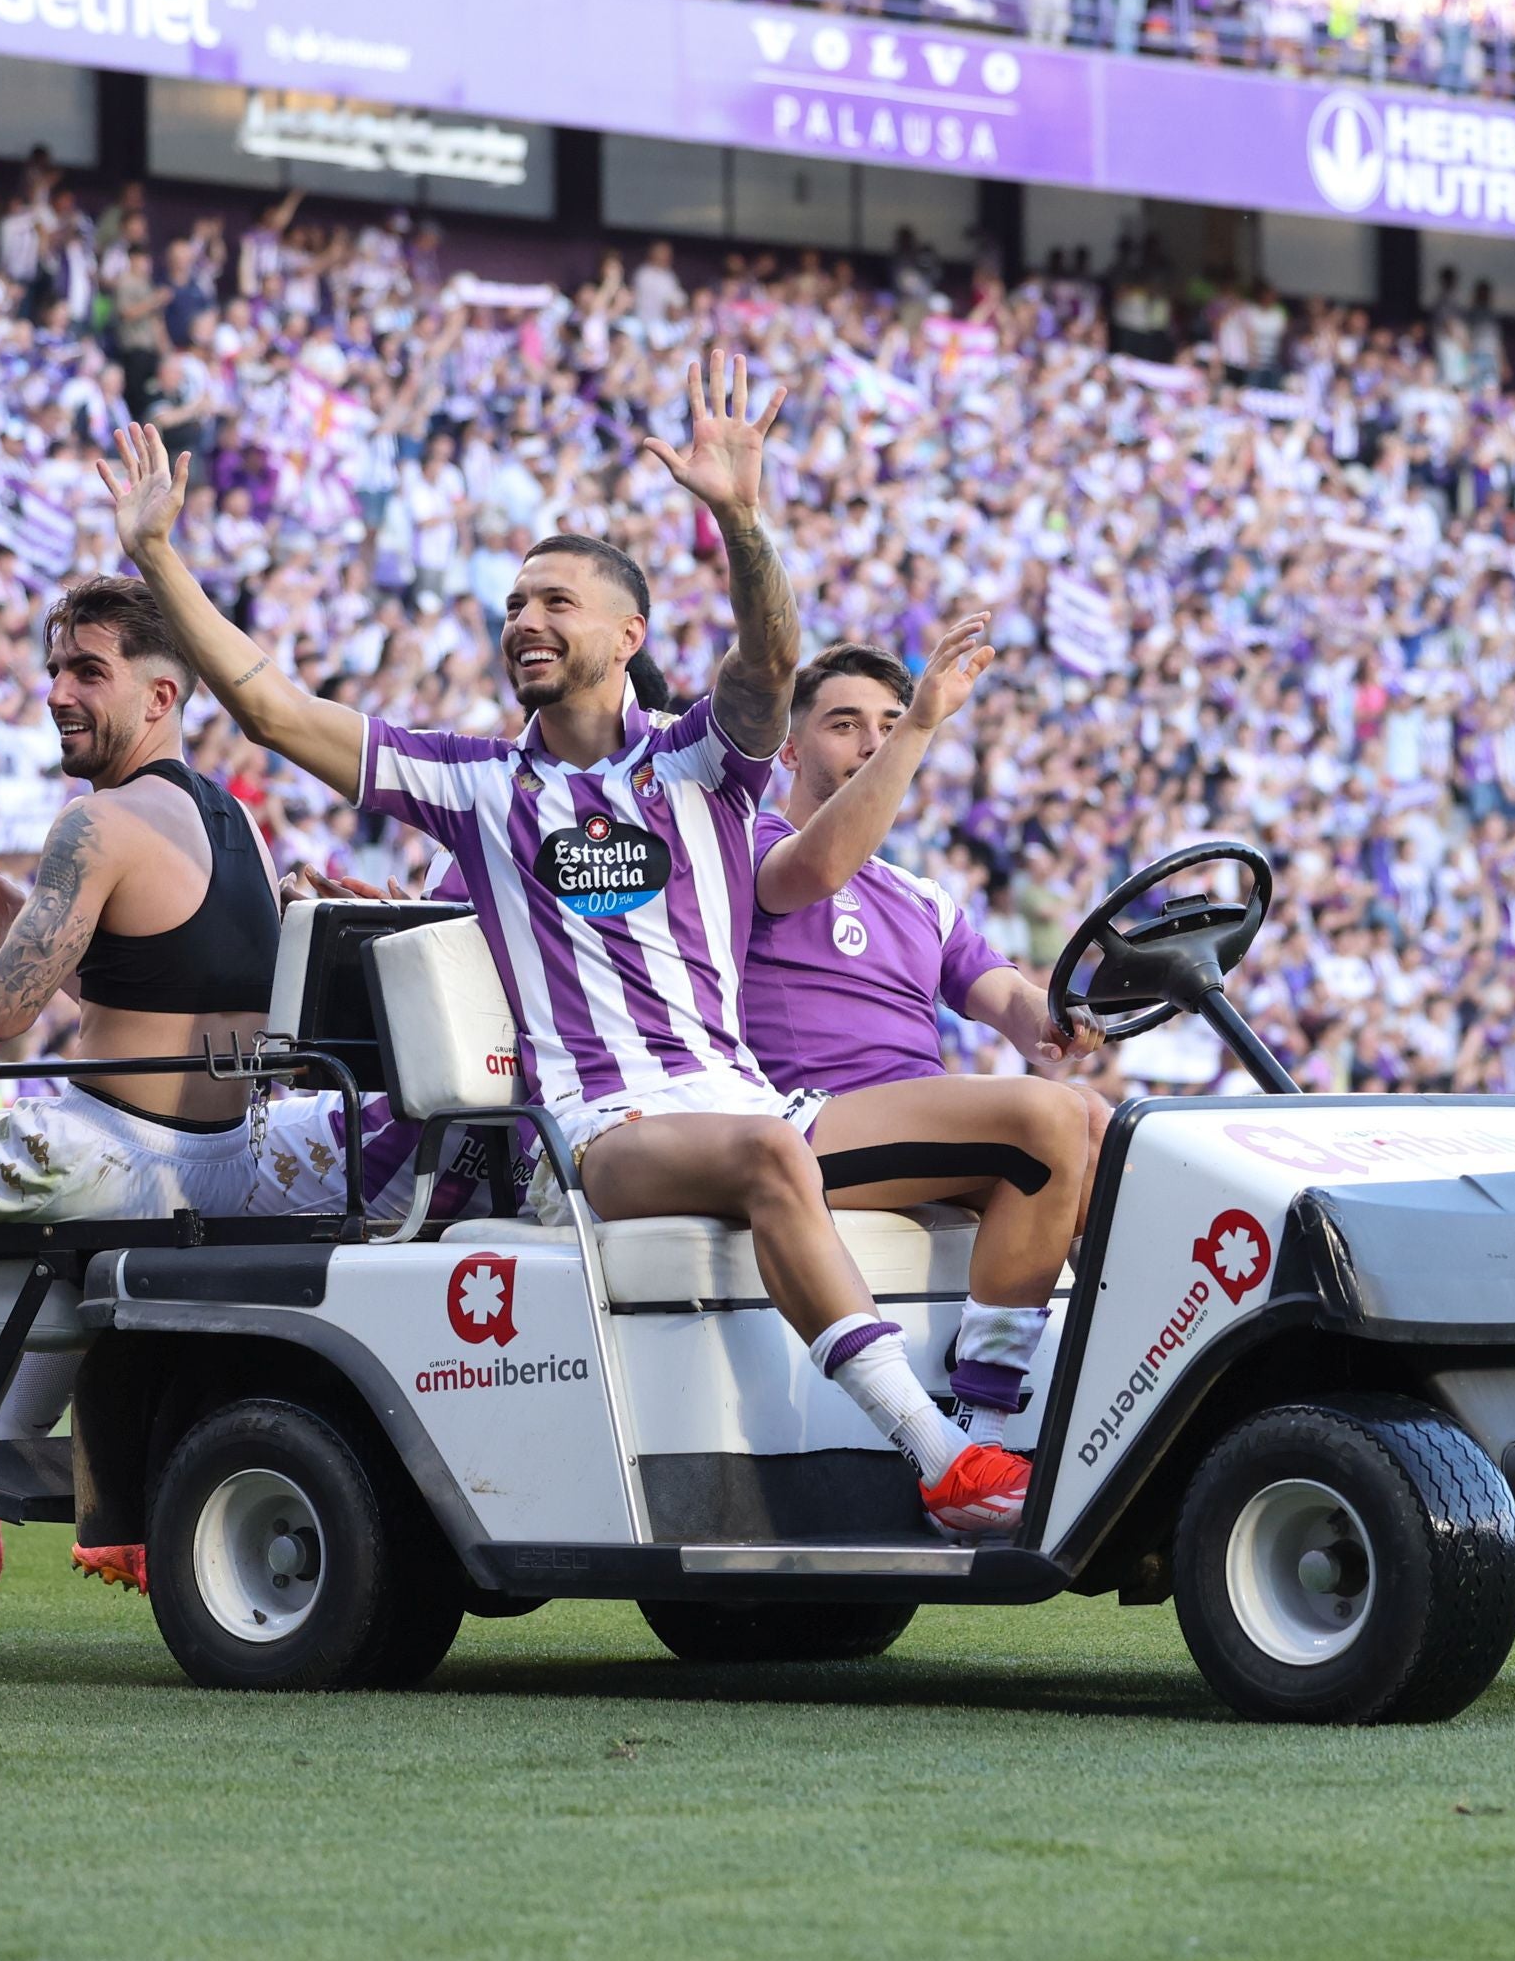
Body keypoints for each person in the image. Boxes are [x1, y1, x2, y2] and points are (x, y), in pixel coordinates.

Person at [99, 353, 1037, 1537]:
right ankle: (939, 1454)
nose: (526, 621)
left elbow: (769, 662)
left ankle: (1012, 1425)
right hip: (598, 1132)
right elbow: (274, 708)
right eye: (513, 606)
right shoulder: (477, 783)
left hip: (748, 1098)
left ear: (627, 632)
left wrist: (741, 518)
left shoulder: (704, 761)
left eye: (554, 603)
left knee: (1045, 1123)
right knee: (765, 1159)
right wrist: (157, 557)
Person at [0, 573, 380, 1600]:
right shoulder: (235, 823)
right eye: (53, 670)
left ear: (160, 694)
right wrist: (34, 927)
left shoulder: (96, 824)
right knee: (38, 1254)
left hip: (114, 1149)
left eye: (90, 670)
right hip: (227, 1162)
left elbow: (4, 1011)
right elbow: (169, 978)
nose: (58, 691)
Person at [735, 634, 1108, 1454]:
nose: (871, 740)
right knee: (1048, 1117)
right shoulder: (745, 847)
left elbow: (1006, 996)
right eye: (845, 724)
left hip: (907, 1126)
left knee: (1105, 1127)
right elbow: (822, 865)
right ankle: (984, 1426)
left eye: (889, 722)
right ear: (790, 748)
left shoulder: (918, 895)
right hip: (797, 1124)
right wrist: (921, 728)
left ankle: (1116, 1398)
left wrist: (1059, 1015)